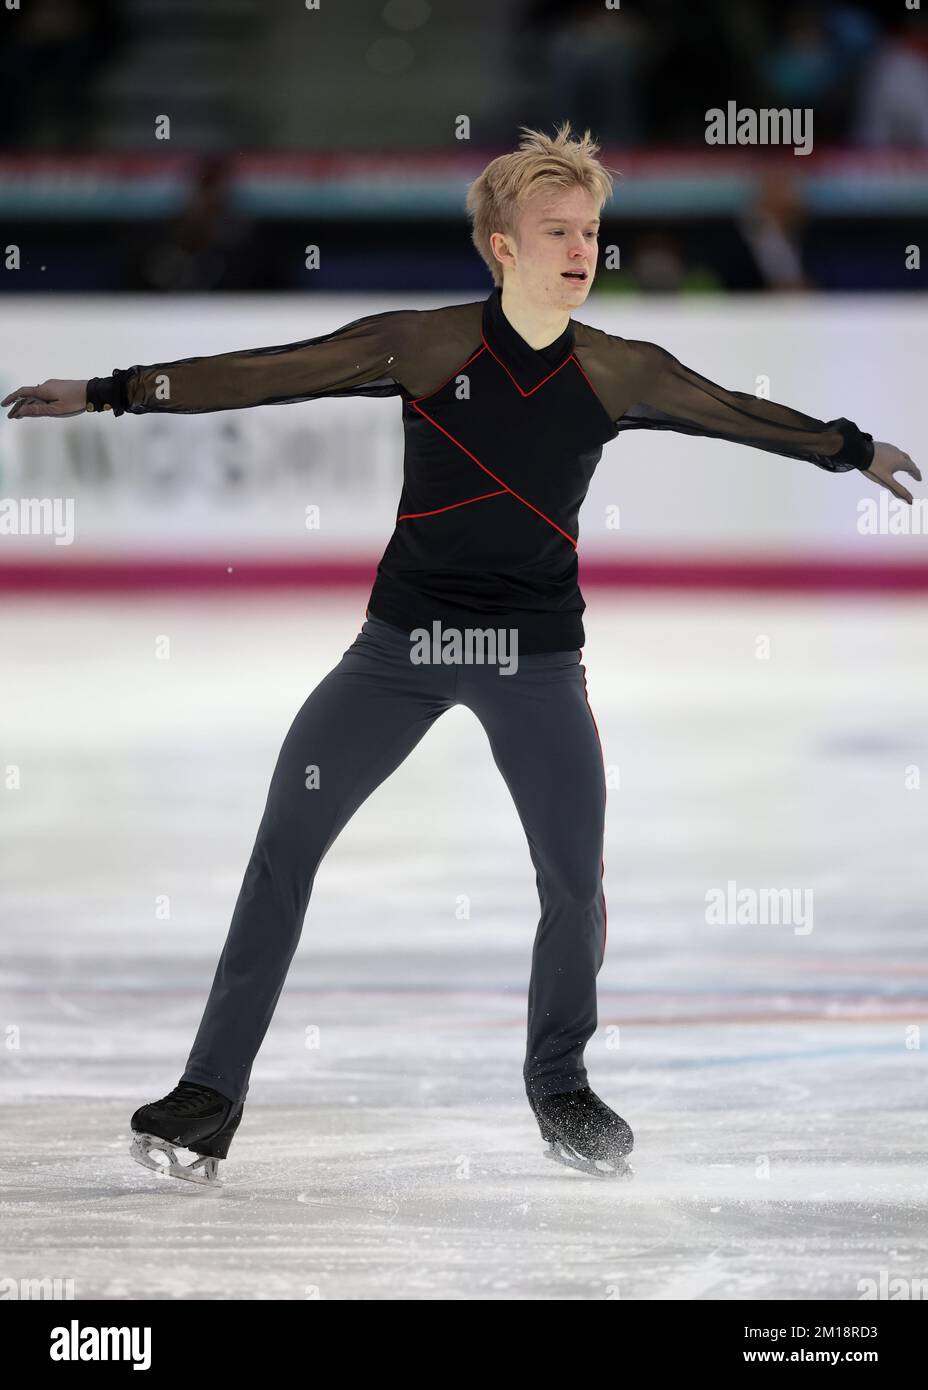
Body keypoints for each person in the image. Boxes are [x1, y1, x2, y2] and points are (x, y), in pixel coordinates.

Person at [3, 122, 918, 1185]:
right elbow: (268, 373)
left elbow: (737, 414)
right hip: (397, 651)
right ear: (502, 247)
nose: (580, 252)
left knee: (572, 879)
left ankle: (559, 1085)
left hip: (536, 661)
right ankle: (209, 1093)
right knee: (282, 849)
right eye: (556, 232)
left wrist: (848, 449)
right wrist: (114, 390)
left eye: (589, 232)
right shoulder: (426, 344)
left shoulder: (620, 368)